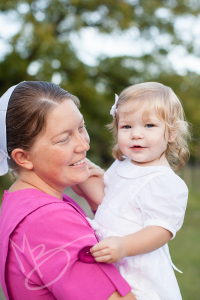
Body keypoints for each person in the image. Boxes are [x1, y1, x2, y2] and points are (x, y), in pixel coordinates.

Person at [0, 81, 137, 300]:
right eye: (64, 138)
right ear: (24, 157)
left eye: (81, 127)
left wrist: (99, 203)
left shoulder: (19, 202)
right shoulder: (49, 220)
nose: (84, 144)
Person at [77, 82, 190, 300]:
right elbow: (106, 200)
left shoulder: (164, 182)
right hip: (110, 257)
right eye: (127, 127)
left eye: (149, 126)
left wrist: (124, 246)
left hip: (137, 269)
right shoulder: (123, 164)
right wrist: (82, 172)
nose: (136, 134)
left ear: (172, 132)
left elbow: (160, 231)